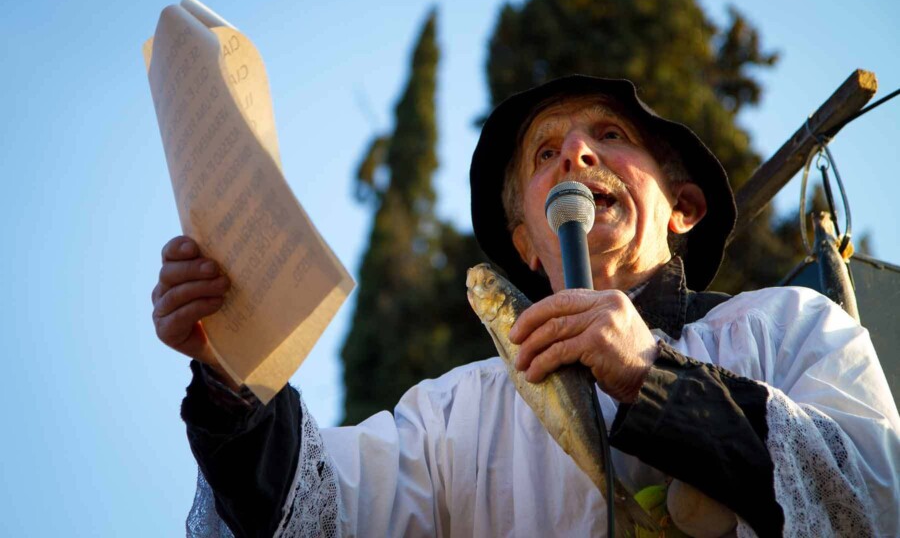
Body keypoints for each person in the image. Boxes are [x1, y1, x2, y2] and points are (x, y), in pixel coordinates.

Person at [152, 76, 900, 537]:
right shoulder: (455, 415)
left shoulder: (788, 328)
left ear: (684, 206)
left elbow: (877, 501)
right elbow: (318, 516)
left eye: (609, 135)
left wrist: (657, 381)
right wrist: (233, 373)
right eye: (544, 154)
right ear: (527, 244)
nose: (575, 154)